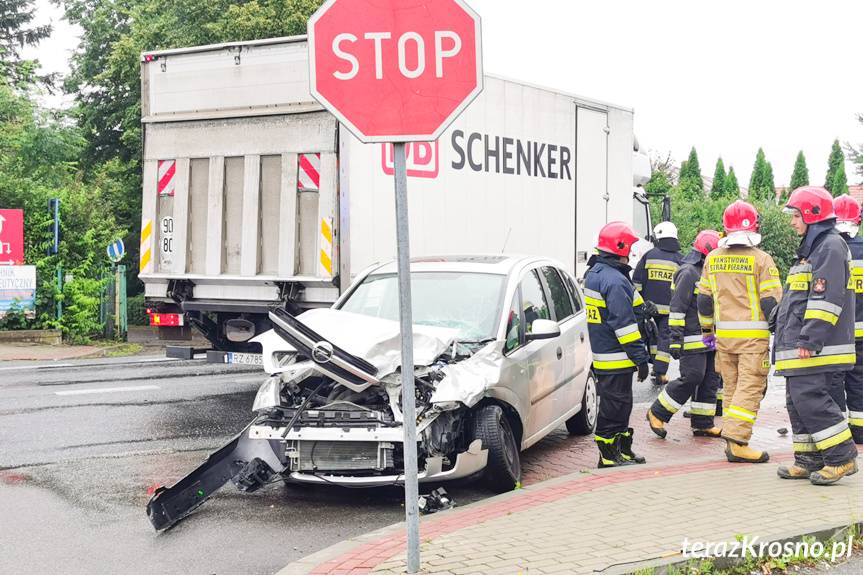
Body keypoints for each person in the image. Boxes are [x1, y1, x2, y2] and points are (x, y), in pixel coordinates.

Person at [773, 187, 858, 485]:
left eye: (796, 215)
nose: (793, 222)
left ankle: (841, 457)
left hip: (816, 346)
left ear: (812, 215)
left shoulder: (830, 247)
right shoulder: (815, 248)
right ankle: (809, 459)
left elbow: (826, 299)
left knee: (811, 399)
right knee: (797, 402)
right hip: (799, 344)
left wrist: (810, 339)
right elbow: (800, 298)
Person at [697, 200, 783, 463]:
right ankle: (737, 442)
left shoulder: (712, 258)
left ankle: (732, 439)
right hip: (752, 340)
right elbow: (771, 302)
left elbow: (704, 300)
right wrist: (780, 329)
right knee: (751, 388)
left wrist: (707, 331)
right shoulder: (761, 259)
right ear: (754, 225)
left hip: (723, 339)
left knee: (733, 389)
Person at [585, 221, 651, 467]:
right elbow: (624, 325)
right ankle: (608, 455)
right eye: (629, 247)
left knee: (621, 404)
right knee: (614, 407)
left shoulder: (599, 273)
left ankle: (622, 450)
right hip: (616, 356)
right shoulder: (613, 280)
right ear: (620, 247)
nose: (631, 253)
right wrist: (641, 358)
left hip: (609, 354)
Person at [646, 230, 723, 439]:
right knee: (693, 376)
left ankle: (703, 423)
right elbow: (677, 308)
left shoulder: (708, 272)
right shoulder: (688, 272)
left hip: (709, 338)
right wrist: (676, 339)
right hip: (690, 337)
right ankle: (657, 412)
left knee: (710, 379)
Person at [632, 222, 683, 385]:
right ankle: (660, 373)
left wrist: (641, 301)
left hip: (649, 307)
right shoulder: (679, 259)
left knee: (653, 337)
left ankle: (654, 366)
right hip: (670, 309)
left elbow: (637, 281)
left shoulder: (649, 255)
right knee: (664, 338)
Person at [832, 194, 863, 445]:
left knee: (832, 380)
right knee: (860, 381)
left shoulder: (825, 251)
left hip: (833, 334)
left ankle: (837, 433)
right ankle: (860, 431)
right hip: (862, 335)